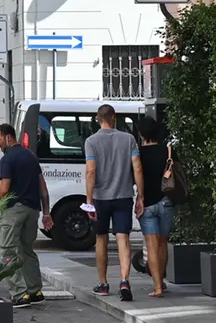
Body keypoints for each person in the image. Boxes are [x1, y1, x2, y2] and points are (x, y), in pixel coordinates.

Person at [83, 104, 143, 301]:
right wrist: (141, 196)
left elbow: (91, 171)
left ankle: (103, 283)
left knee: (100, 238)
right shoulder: (128, 139)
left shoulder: (91, 141)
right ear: (114, 117)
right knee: (122, 238)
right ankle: (125, 280)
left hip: (100, 198)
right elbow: (137, 169)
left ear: (98, 119)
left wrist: (89, 200)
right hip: (123, 196)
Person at [0, 124, 54, 309]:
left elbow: (4, 188)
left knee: (8, 251)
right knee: (27, 250)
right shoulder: (30, 156)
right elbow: (43, 188)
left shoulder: (7, 159)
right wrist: (46, 213)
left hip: (14, 210)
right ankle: (35, 291)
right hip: (32, 210)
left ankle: (19, 294)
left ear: (8, 137)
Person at [136, 116, 177, 297]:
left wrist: (140, 197)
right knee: (162, 243)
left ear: (141, 135)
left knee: (151, 245)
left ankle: (158, 286)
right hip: (166, 201)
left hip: (147, 204)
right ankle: (163, 282)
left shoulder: (138, 154)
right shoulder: (167, 151)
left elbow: (134, 176)